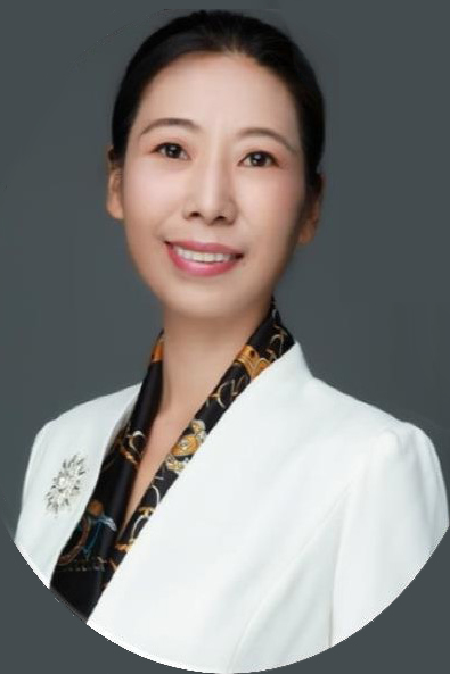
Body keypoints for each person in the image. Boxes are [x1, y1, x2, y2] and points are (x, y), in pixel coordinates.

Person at [14, 9, 449, 673]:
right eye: (172, 150)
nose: (210, 201)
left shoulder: (374, 466)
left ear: (310, 206)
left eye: (257, 158)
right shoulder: (61, 444)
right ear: (115, 181)